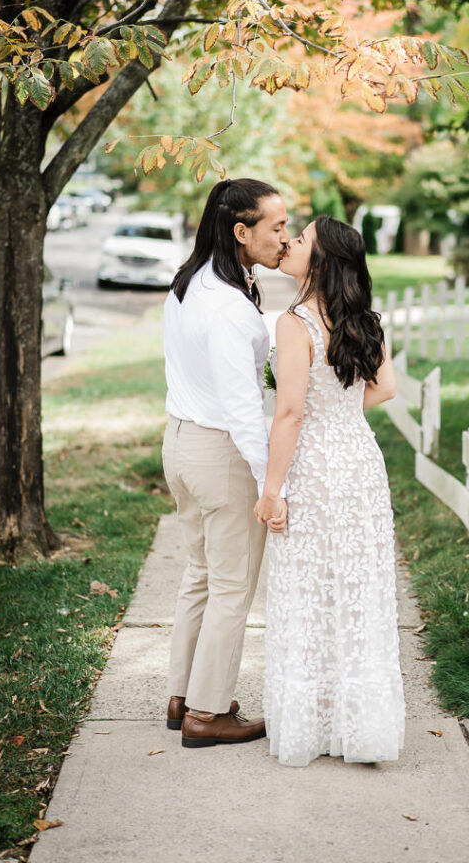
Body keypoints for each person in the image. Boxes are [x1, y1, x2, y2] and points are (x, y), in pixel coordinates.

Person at [255, 216, 406, 767]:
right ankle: (361, 727)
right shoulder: (362, 319)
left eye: (302, 239)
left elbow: (290, 413)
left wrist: (272, 490)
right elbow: (384, 388)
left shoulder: (295, 324)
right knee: (356, 589)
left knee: (312, 589)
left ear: (319, 260)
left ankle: (313, 723)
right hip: (361, 464)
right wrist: (339, 415)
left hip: (316, 470)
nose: (290, 242)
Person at [162, 178, 290, 748]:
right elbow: (243, 408)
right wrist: (270, 484)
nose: (285, 237)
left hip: (181, 443)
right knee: (233, 586)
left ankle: (182, 695)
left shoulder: (189, 283)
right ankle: (208, 714)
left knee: (201, 576)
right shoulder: (230, 310)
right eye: (277, 227)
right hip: (220, 451)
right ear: (241, 232)